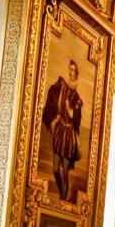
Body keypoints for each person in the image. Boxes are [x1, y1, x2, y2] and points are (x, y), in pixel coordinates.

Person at [41, 59, 84, 202]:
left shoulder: (77, 97)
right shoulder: (62, 85)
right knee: (55, 169)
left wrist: (70, 110)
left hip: (69, 136)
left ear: (76, 74)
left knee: (65, 172)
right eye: (70, 69)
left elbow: (77, 119)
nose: (71, 72)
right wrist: (57, 113)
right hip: (60, 132)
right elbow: (53, 93)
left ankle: (63, 200)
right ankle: (62, 192)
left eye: (74, 70)